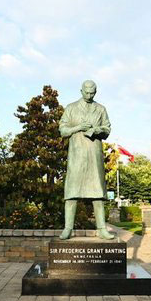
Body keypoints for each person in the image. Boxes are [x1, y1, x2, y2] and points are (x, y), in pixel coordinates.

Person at [58, 80, 115, 240]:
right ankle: (68, 228)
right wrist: (78, 128)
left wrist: (97, 130)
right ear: (81, 91)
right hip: (76, 155)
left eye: (92, 93)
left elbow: (107, 128)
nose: (89, 95)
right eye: (87, 92)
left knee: (97, 193)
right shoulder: (71, 108)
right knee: (72, 193)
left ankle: (102, 229)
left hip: (94, 154)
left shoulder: (101, 109)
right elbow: (62, 130)